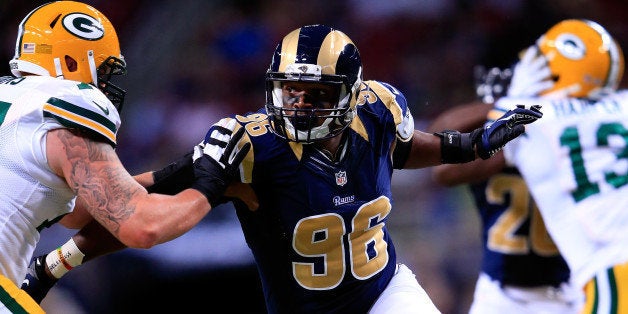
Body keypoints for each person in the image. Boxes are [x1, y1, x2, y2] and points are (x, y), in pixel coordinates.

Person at [22, 24, 542, 313]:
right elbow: (139, 201)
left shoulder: (379, 109)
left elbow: (405, 148)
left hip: (384, 293)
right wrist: (57, 262)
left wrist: (465, 145)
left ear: (352, 94)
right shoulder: (252, 144)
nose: (297, 105)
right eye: (289, 91)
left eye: (314, 94)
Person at [0, 1, 249, 313]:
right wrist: (214, 183)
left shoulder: (11, 101)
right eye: (103, 69)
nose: (104, 83)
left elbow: (79, 213)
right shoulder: (65, 104)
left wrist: (178, 171)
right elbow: (142, 227)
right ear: (71, 61)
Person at [475, 19, 625, 313]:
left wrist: (510, 103)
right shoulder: (623, 106)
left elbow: (446, 166)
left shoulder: (536, 119)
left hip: (613, 271)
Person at [427, 62, 583, 313]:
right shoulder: (497, 146)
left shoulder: (567, 139)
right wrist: (511, 105)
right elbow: (440, 162)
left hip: (569, 287)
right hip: (503, 291)